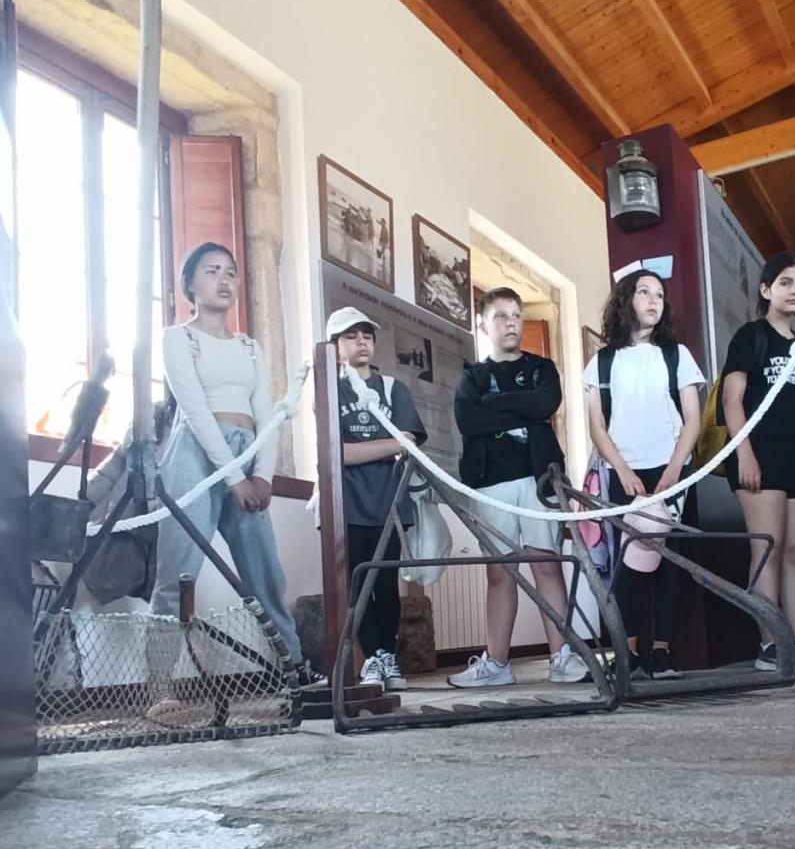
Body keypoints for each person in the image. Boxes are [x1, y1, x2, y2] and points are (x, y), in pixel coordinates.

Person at [150, 242, 319, 684]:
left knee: (265, 573)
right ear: (190, 283)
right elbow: (195, 411)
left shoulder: (249, 347)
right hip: (194, 453)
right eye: (211, 271)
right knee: (177, 574)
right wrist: (234, 479)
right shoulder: (177, 338)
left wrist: (262, 476)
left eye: (230, 272)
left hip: (247, 451)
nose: (223, 280)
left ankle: (294, 671)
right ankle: (159, 688)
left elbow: (266, 413)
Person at [448, 287, 588, 687]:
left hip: (538, 477)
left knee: (546, 564)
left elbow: (545, 405)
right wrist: (521, 409)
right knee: (499, 571)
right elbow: (468, 421)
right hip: (491, 482)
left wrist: (495, 405)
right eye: (501, 316)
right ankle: (496, 664)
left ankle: (562, 656)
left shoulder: (542, 368)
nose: (511, 323)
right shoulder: (472, 376)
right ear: (483, 325)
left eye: (515, 315)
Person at [584, 270, 705, 679]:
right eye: (644, 292)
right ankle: (630, 652)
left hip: (672, 469)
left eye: (660, 294)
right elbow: (597, 426)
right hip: (623, 470)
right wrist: (622, 469)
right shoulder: (602, 361)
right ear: (625, 300)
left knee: (667, 560)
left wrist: (673, 470)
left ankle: (662, 652)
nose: (654, 300)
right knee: (626, 562)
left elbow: (692, 419)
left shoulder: (676, 355)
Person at [721, 252, 795, 672]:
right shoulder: (751, 336)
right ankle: (770, 645)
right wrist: (744, 454)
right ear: (766, 290)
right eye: (785, 282)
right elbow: (732, 400)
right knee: (767, 547)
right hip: (759, 457)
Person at [327, 305, 427, 691]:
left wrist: (366, 449)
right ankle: (372, 657)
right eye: (351, 336)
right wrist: (389, 445)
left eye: (366, 336)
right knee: (356, 584)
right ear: (335, 344)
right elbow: (336, 453)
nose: (361, 343)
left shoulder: (391, 388)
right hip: (347, 504)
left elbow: (409, 440)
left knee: (385, 584)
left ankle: (387, 655)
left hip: (389, 502)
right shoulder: (329, 389)